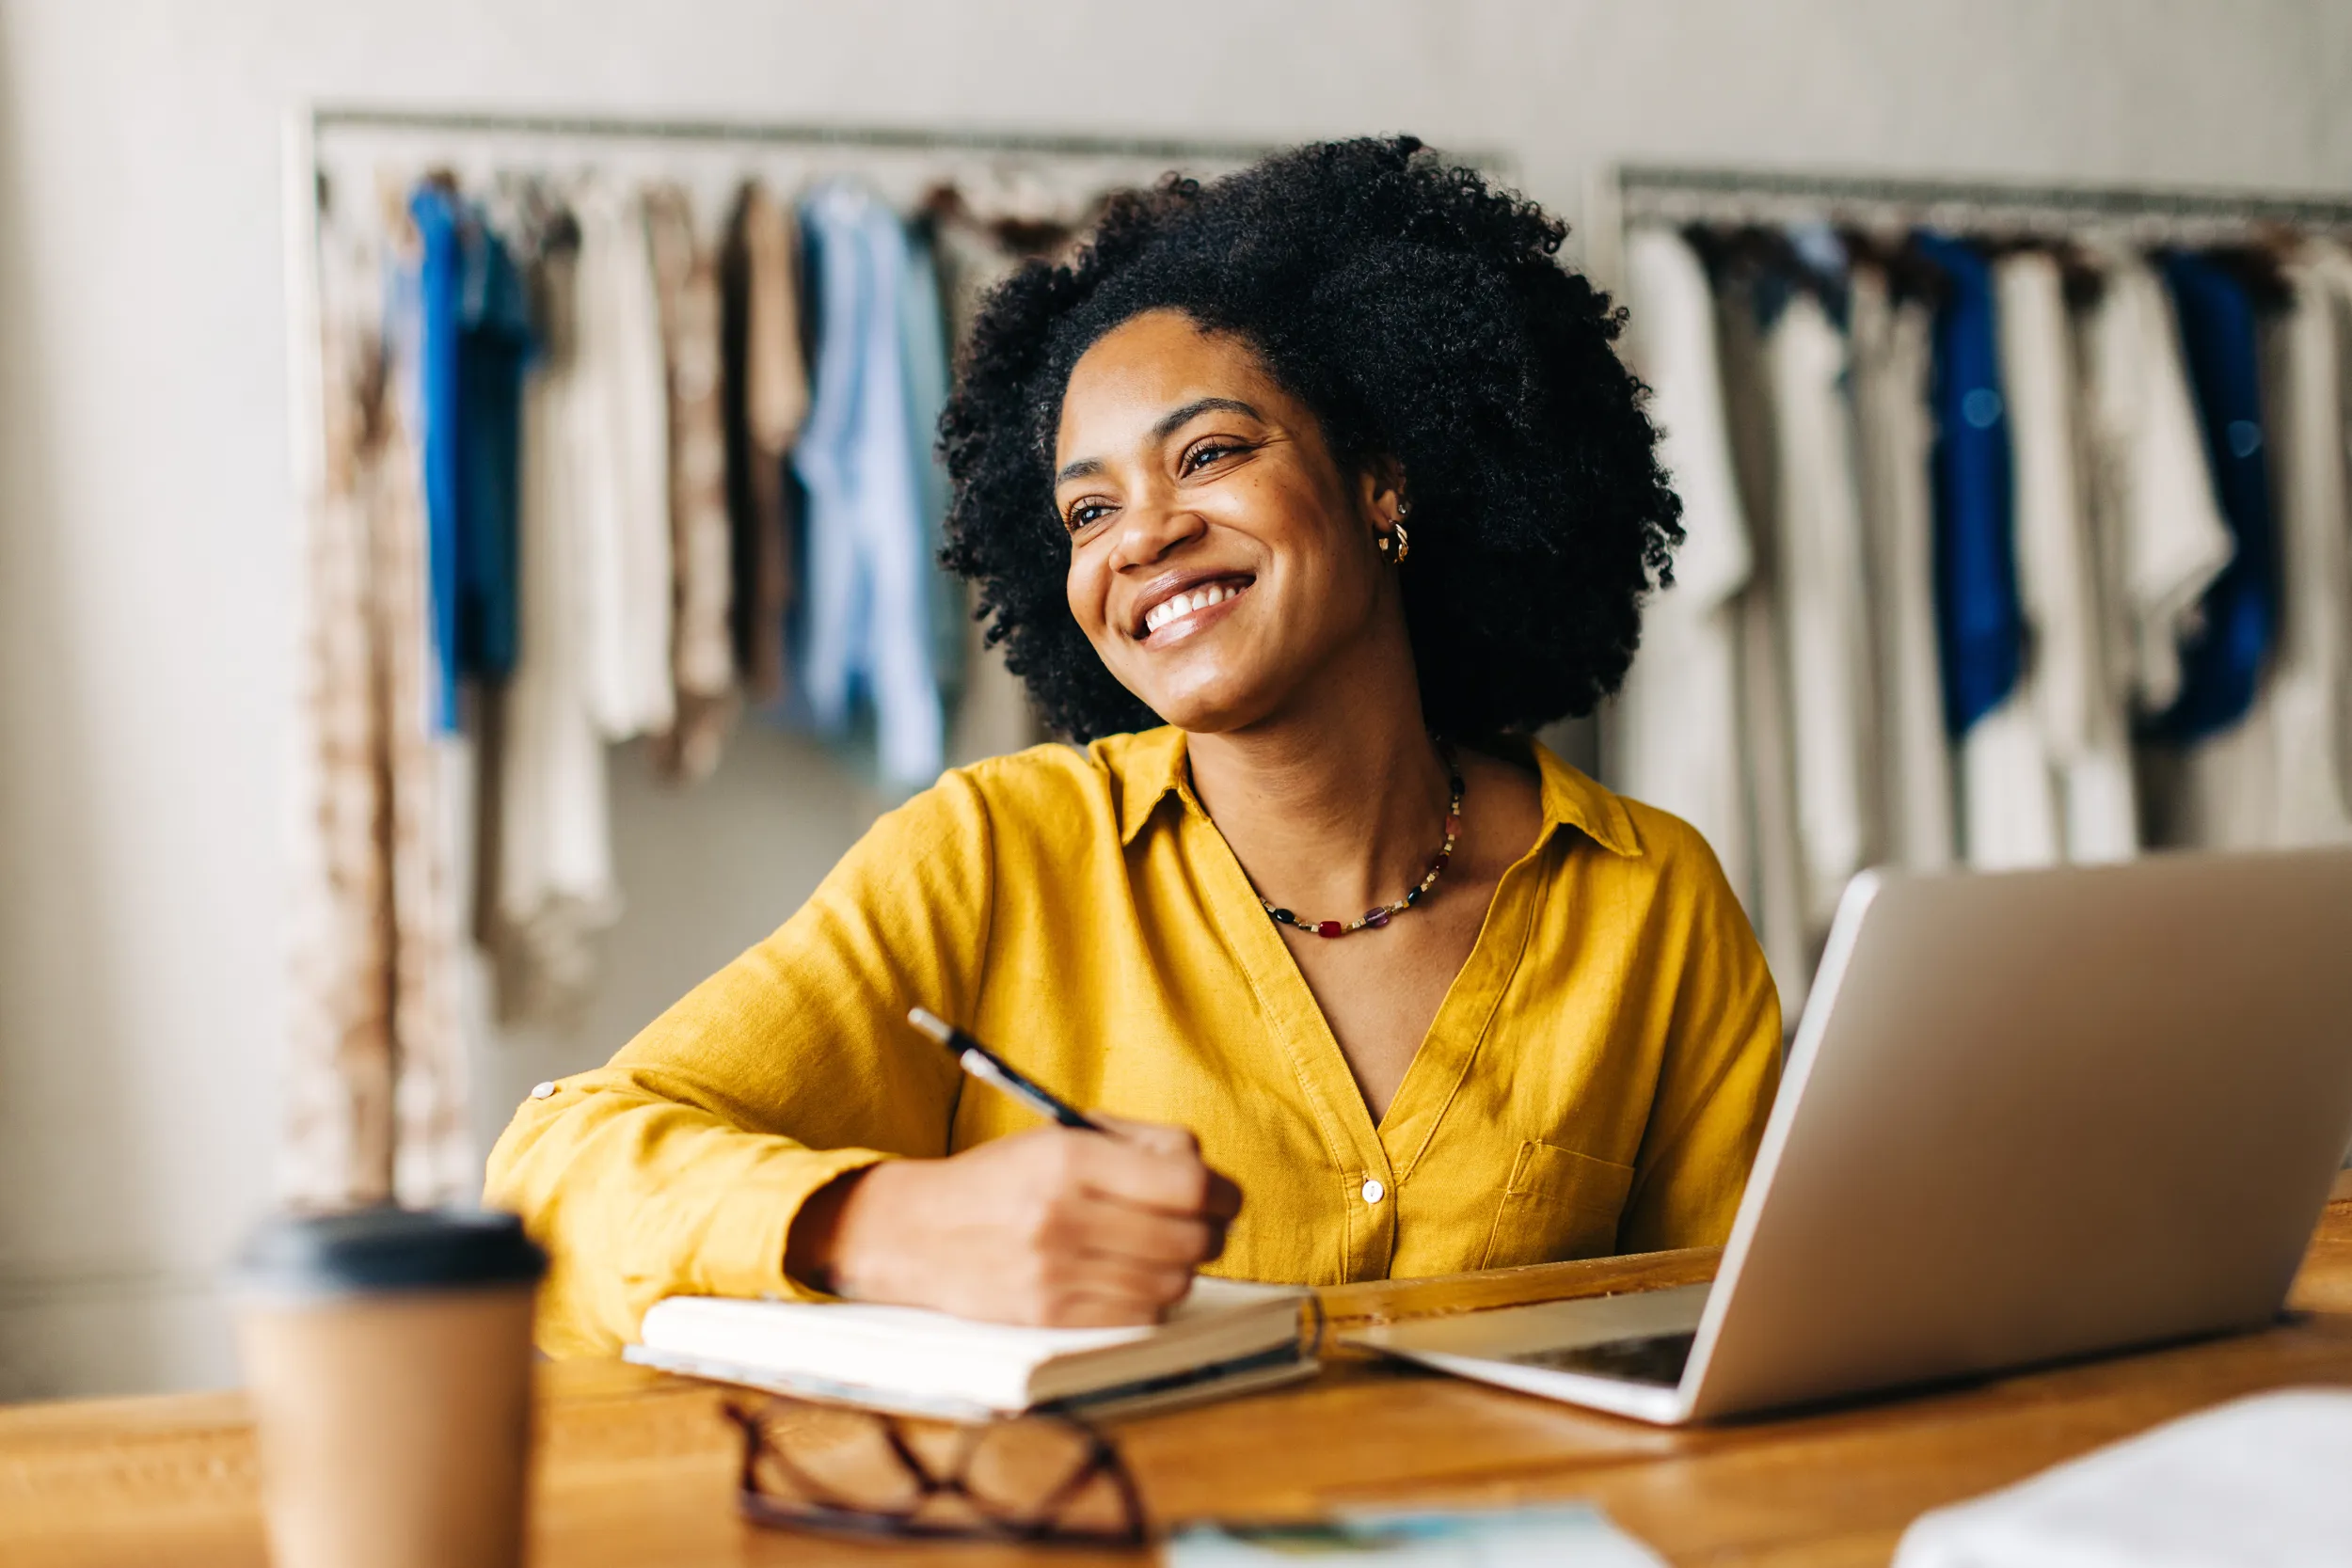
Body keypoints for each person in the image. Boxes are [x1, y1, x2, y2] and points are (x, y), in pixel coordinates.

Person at [486, 137, 1782, 1356]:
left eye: (1208, 453)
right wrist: (889, 1225)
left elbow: (1751, 1344)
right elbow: (552, 1175)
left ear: (1384, 478)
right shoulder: (990, 859)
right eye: (1087, 509)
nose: (1139, 538)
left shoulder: (1650, 902)